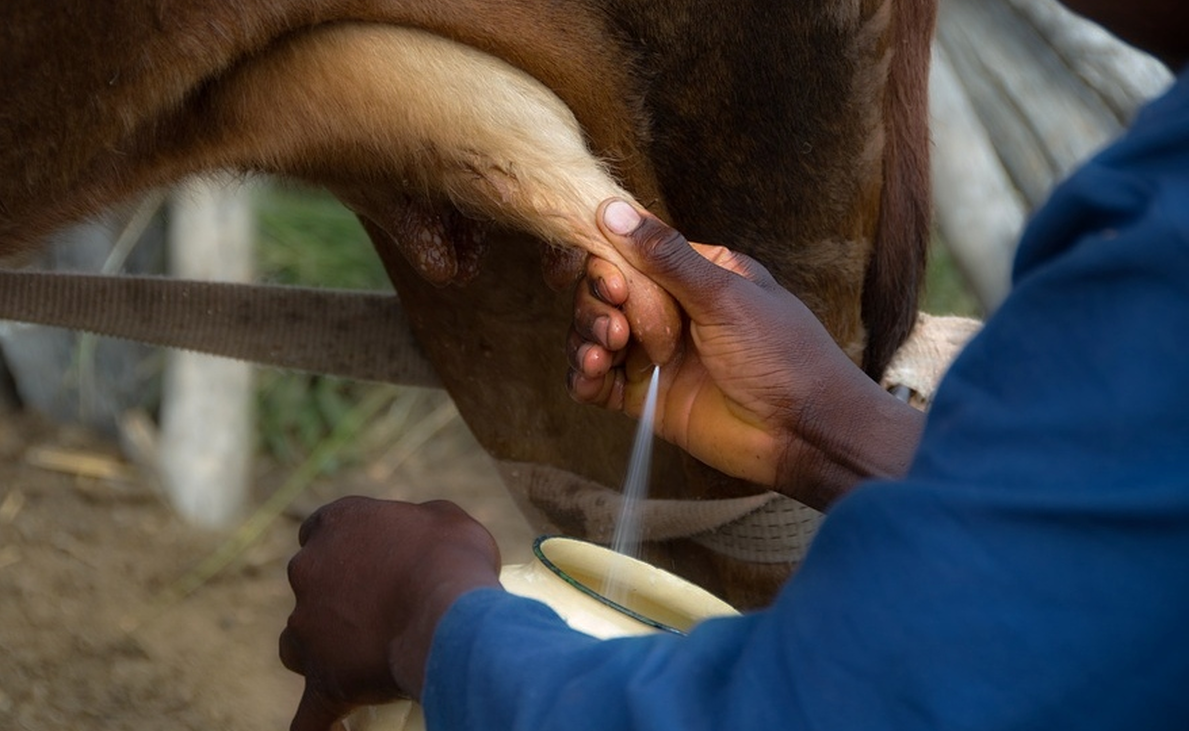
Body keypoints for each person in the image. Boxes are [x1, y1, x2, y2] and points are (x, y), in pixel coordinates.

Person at [277, 2, 1189, 728]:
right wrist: (823, 427)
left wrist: (424, 617)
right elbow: (1130, 561)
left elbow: (831, 710)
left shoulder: (1164, 250)